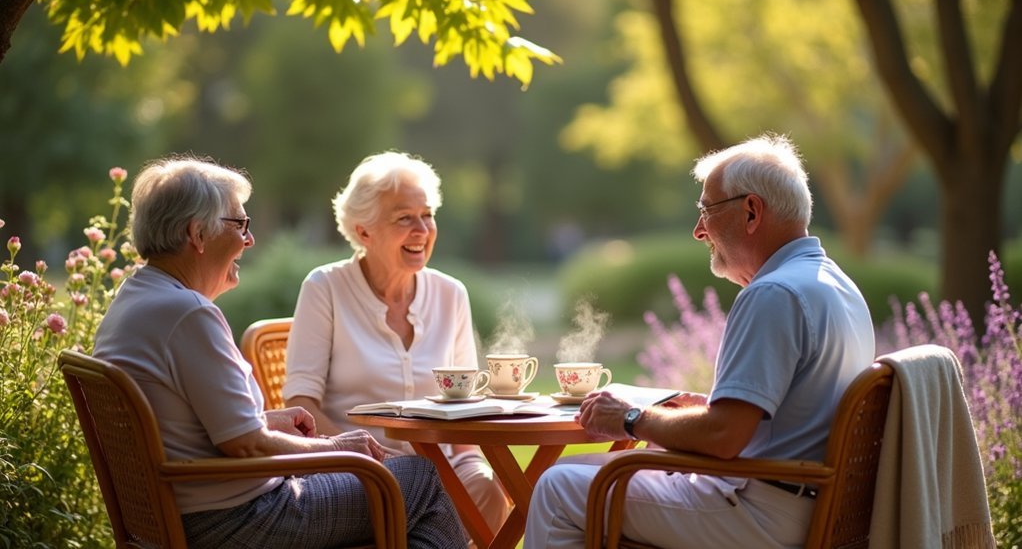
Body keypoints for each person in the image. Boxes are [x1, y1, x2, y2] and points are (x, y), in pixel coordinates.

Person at [93, 156, 466, 549]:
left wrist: (266, 420)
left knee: (413, 498)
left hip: (190, 511)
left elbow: (210, 428)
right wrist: (336, 447)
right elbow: (246, 444)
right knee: (421, 478)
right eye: (239, 224)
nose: (249, 240)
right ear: (197, 235)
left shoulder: (135, 301)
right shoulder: (188, 315)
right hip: (242, 518)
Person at [523, 133, 876, 548]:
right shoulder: (837, 286)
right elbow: (781, 420)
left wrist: (630, 418)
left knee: (557, 487)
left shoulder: (774, 294)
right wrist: (703, 412)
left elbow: (724, 437)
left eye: (707, 210)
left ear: (751, 211)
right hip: (813, 506)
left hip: (760, 514)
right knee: (583, 473)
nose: (698, 230)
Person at [282, 151, 511, 533]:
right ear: (363, 231)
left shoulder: (450, 293)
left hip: (445, 462)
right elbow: (300, 403)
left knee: (488, 488)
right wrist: (361, 451)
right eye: (404, 218)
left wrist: (474, 462)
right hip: (357, 464)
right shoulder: (325, 288)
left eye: (428, 215)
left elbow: (466, 402)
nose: (422, 229)